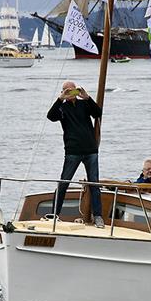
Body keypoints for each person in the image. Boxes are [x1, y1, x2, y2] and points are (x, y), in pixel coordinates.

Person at [47, 80, 104, 228]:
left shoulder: (84, 104)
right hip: (73, 151)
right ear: (63, 92)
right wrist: (60, 99)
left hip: (90, 150)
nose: (70, 93)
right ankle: (54, 214)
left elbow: (98, 113)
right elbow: (50, 116)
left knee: (94, 184)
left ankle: (98, 216)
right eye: (67, 91)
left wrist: (87, 97)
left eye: (73, 90)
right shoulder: (61, 108)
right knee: (64, 182)